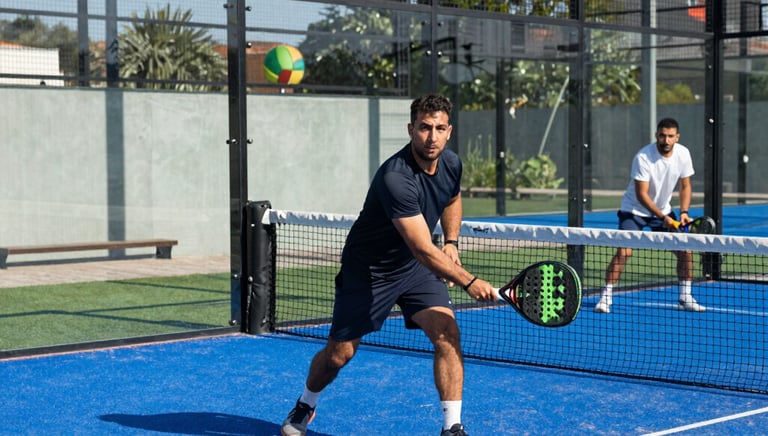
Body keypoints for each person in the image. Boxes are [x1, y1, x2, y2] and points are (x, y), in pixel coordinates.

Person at [281, 94, 496, 436]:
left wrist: (452, 242)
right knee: (339, 356)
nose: (432, 137)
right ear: (411, 129)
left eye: (440, 128)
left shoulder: (451, 163)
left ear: (449, 131)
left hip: (415, 270)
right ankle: (306, 403)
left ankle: (451, 427)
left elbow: (452, 198)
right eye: (425, 128)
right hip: (370, 271)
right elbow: (423, 247)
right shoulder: (395, 177)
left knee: (447, 335)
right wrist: (470, 281)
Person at [595, 117, 705, 314]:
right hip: (634, 210)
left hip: (663, 210)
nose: (666, 140)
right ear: (657, 136)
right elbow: (641, 194)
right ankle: (605, 297)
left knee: (685, 251)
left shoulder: (683, 154)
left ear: (677, 137)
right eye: (662, 135)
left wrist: (684, 212)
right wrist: (664, 218)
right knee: (624, 252)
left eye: (671, 136)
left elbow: (686, 185)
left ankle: (685, 296)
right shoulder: (643, 157)